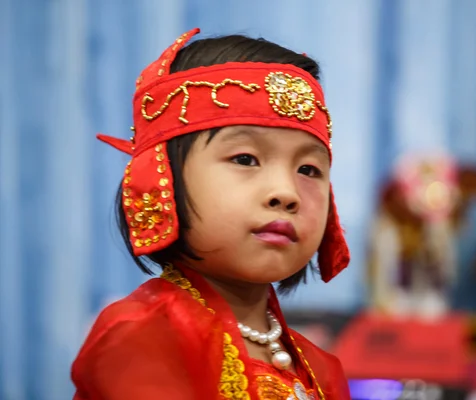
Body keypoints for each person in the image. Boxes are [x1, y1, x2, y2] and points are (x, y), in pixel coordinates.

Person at [71, 28, 351, 400]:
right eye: (245, 159)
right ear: (162, 180)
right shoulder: (143, 335)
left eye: (308, 170)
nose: (286, 193)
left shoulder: (321, 368)